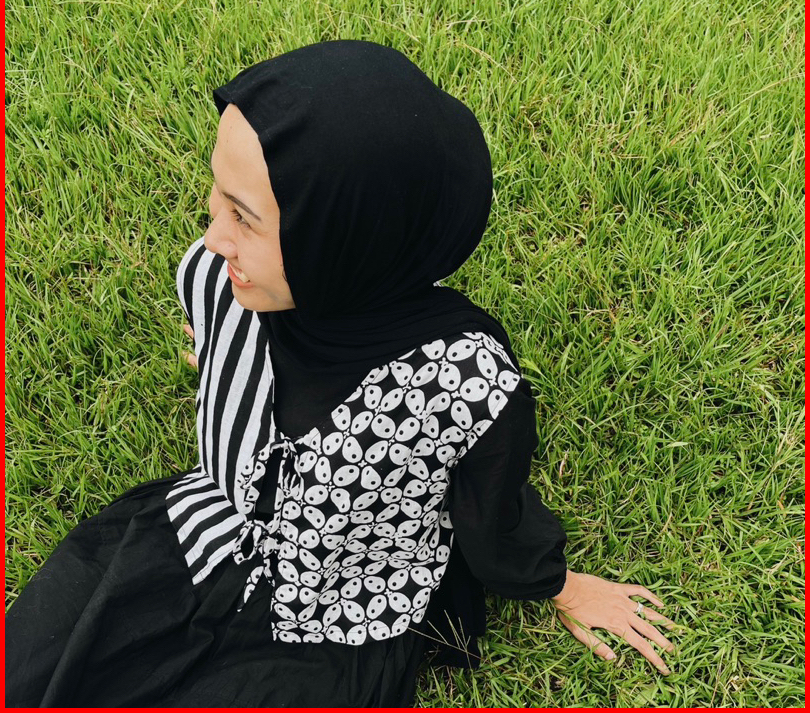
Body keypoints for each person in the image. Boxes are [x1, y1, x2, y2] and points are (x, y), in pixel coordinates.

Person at [5, 40, 677, 707]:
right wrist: (219, 358)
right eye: (217, 194)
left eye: (244, 217)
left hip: (335, 620)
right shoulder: (220, 277)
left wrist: (559, 584)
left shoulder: (457, 383)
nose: (213, 235)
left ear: (342, 238)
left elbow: (492, 513)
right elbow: (216, 335)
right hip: (189, 542)